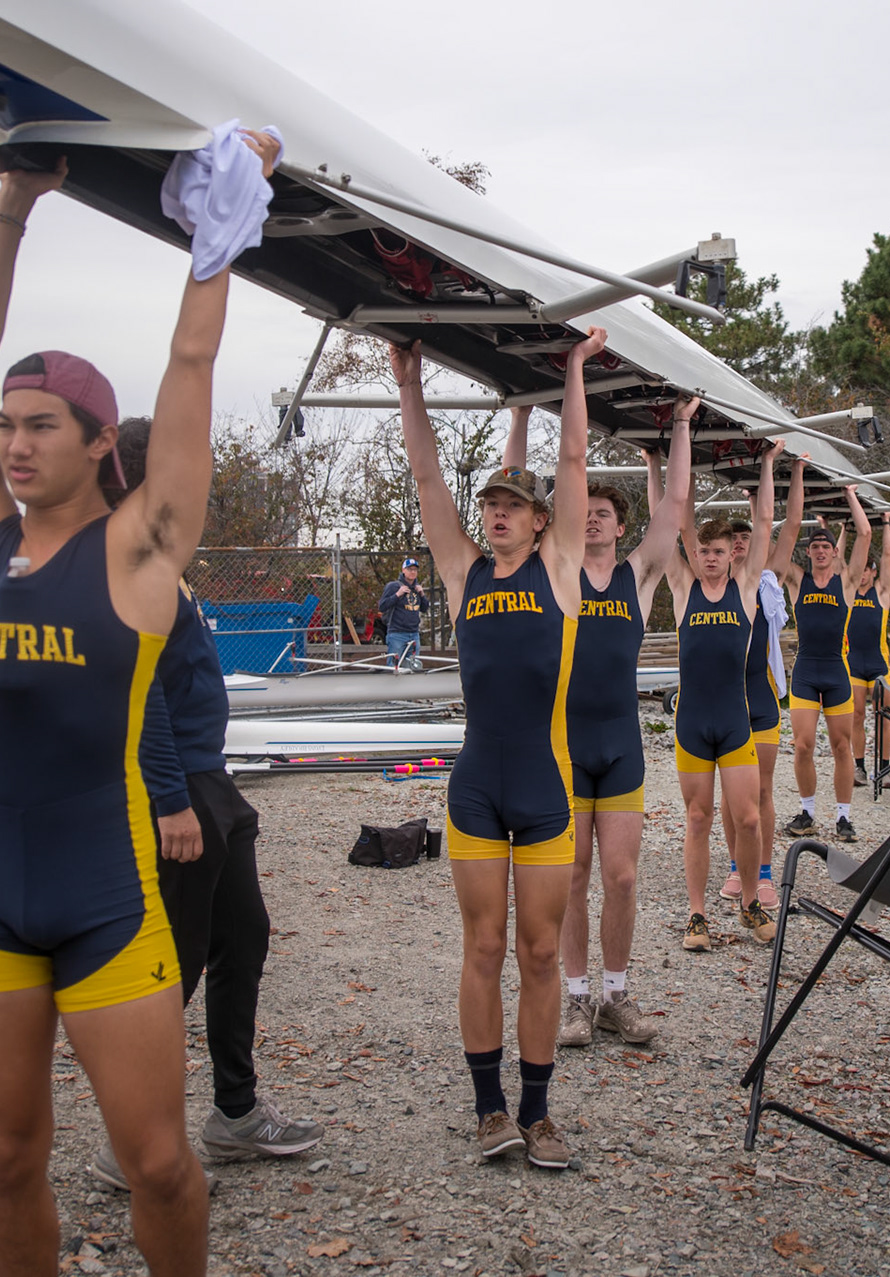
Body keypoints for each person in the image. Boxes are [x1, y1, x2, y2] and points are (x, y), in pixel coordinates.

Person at [0, 132, 278, 1277]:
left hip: (105, 899)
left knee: (161, 1162)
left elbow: (190, 366)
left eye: (41, 424)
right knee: (5, 1158)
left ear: (94, 440)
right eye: (6, 424)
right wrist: (14, 204)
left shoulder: (138, 554)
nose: (14, 441)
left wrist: (217, 244)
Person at [86, 419, 322, 1192]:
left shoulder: (164, 558)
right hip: (180, 791)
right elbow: (141, 691)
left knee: (242, 937)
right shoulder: (128, 558)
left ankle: (235, 1114)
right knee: (171, 966)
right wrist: (170, 799)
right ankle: (129, 1142)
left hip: (209, 781)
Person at [393, 327, 596, 1170]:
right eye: (491, 504)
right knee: (482, 947)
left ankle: (539, 1112)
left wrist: (574, 370)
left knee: (541, 953)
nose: (497, 512)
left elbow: (575, 459)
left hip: (545, 791)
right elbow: (427, 477)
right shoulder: (461, 572)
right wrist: (409, 384)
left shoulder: (561, 570)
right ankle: (489, 1109)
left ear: (541, 519)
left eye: (513, 503)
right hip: (476, 787)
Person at [498, 403, 687, 1048]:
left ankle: (615, 995)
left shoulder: (640, 576)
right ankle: (577, 1000)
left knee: (622, 877)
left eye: (605, 513)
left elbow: (675, 507)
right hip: (566, 744)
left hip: (621, 743)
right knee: (574, 873)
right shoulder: (557, 570)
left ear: (622, 526)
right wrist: (521, 415)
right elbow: (516, 484)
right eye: (587, 511)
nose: (594, 518)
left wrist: (679, 427)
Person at [664, 436, 782, 953]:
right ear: (694, 554)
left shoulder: (747, 587)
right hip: (693, 722)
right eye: (703, 551)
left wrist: (768, 465)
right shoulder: (682, 588)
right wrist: (664, 462)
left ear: (730, 555)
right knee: (697, 818)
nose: (710, 558)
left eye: (718, 551)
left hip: (735, 721)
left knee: (749, 817)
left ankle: (751, 900)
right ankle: (696, 915)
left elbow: (765, 524)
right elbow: (674, 516)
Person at [716, 455, 807, 942]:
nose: (739, 544)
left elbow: (786, 524)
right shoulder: (709, 584)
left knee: (763, 790)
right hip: (722, 701)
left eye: (745, 537)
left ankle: (765, 871)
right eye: (732, 539)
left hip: (760, 697)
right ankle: (737, 864)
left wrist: (790, 470)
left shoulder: (765, 578)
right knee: (731, 794)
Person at [780, 490, 871, 842]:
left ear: (834, 552)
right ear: (808, 552)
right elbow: (775, 544)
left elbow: (865, 534)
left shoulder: (846, 583)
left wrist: (850, 495)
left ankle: (844, 817)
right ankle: (807, 813)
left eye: (825, 546)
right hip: (805, 670)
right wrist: (759, 500)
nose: (820, 550)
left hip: (835, 672)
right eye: (815, 546)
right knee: (802, 745)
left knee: (841, 746)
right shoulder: (796, 580)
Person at [845, 512, 890, 789]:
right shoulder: (847, 592)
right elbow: (838, 561)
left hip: (879, 665)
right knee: (856, 715)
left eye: (868, 568)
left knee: (883, 717)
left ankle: (885, 769)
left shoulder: (881, 593)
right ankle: (859, 767)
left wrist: (889, 526)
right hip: (853, 663)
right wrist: (840, 529)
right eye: (861, 568)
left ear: (873, 571)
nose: (863, 573)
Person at [378, 558, 426, 667]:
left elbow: (424, 608)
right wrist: (397, 595)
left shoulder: (417, 589)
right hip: (397, 633)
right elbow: (382, 606)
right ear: (403, 570)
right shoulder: (393, 586)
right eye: (409, 569)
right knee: (394, 666)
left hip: (414, 633)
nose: (412, 572)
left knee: (413, 666)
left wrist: (422, 595)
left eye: (415, 570)